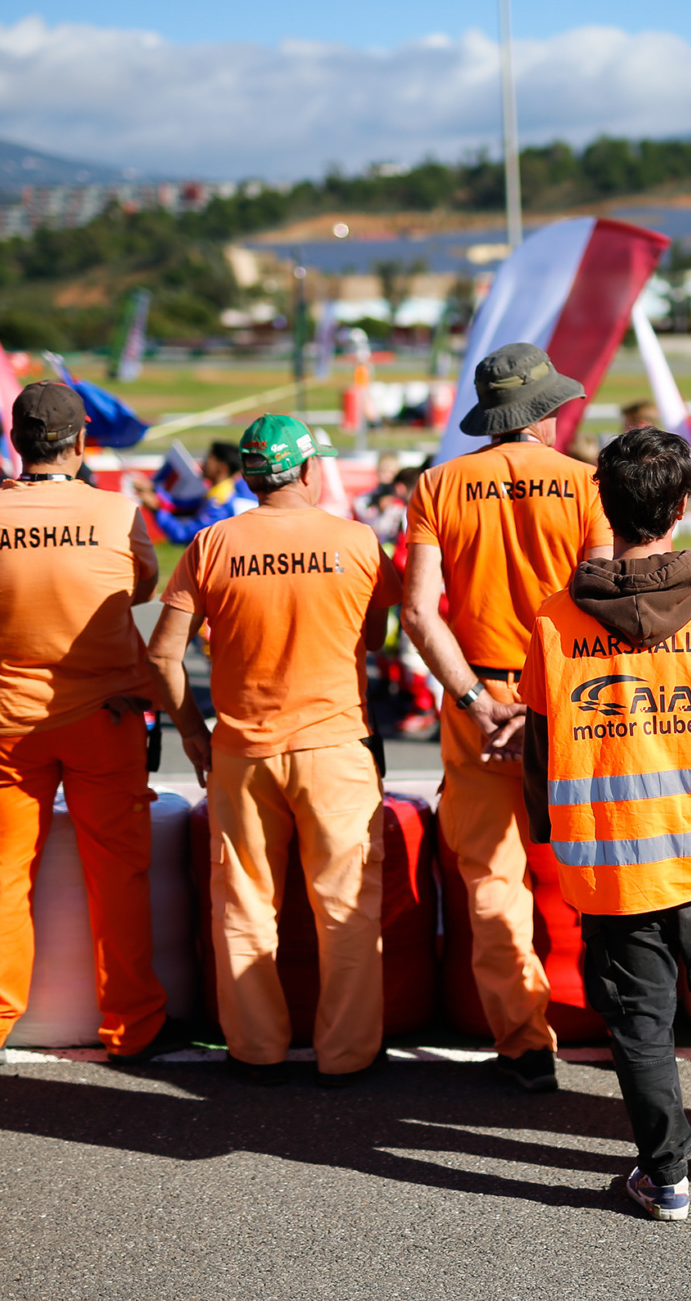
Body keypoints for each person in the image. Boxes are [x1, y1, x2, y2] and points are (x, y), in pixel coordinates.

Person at [520, 426, 691, 1221]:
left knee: (640, 1025)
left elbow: (539, 744)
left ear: (603, 505)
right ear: (684, 506)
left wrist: (550, 829)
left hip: (609, 865)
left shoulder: (555, 618)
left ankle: (664, 1176)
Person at [150, 415, 401, 1087]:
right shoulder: (357, 542)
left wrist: (193, 734)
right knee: (346, 907)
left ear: (250, 476)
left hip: (241, 750)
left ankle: (255, 1048)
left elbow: (163, 655)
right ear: (310, 471)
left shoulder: (212, 543)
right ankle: (347, 1055)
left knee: (243, 903)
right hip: (336, 747)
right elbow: (376, 639)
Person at [401, 343, 612, 1093]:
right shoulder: (589, 484)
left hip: (481, 702)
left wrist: (476, 701)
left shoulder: (437, 485)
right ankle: (628, 1024)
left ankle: (524, 1045)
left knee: (493, 880)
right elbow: (605, 602)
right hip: (576, 697)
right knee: (601, 869)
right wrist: (548, 700)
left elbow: (420, 613)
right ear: (548, 414)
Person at [0, 381, 171, 1068]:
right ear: (81, 442)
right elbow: (138, 588)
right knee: (120, 877)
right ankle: (130, 1026)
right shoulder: (116, 511)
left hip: (8, 722)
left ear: (15, 440)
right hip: (105, 715)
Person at [144, 440, 259, 543]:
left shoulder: (221, 501)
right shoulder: (220, 492)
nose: (203, 463)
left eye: (208, 459)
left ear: (222, 467)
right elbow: (180, 504)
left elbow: (184, 535)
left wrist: (157, 510)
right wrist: (153, 489)